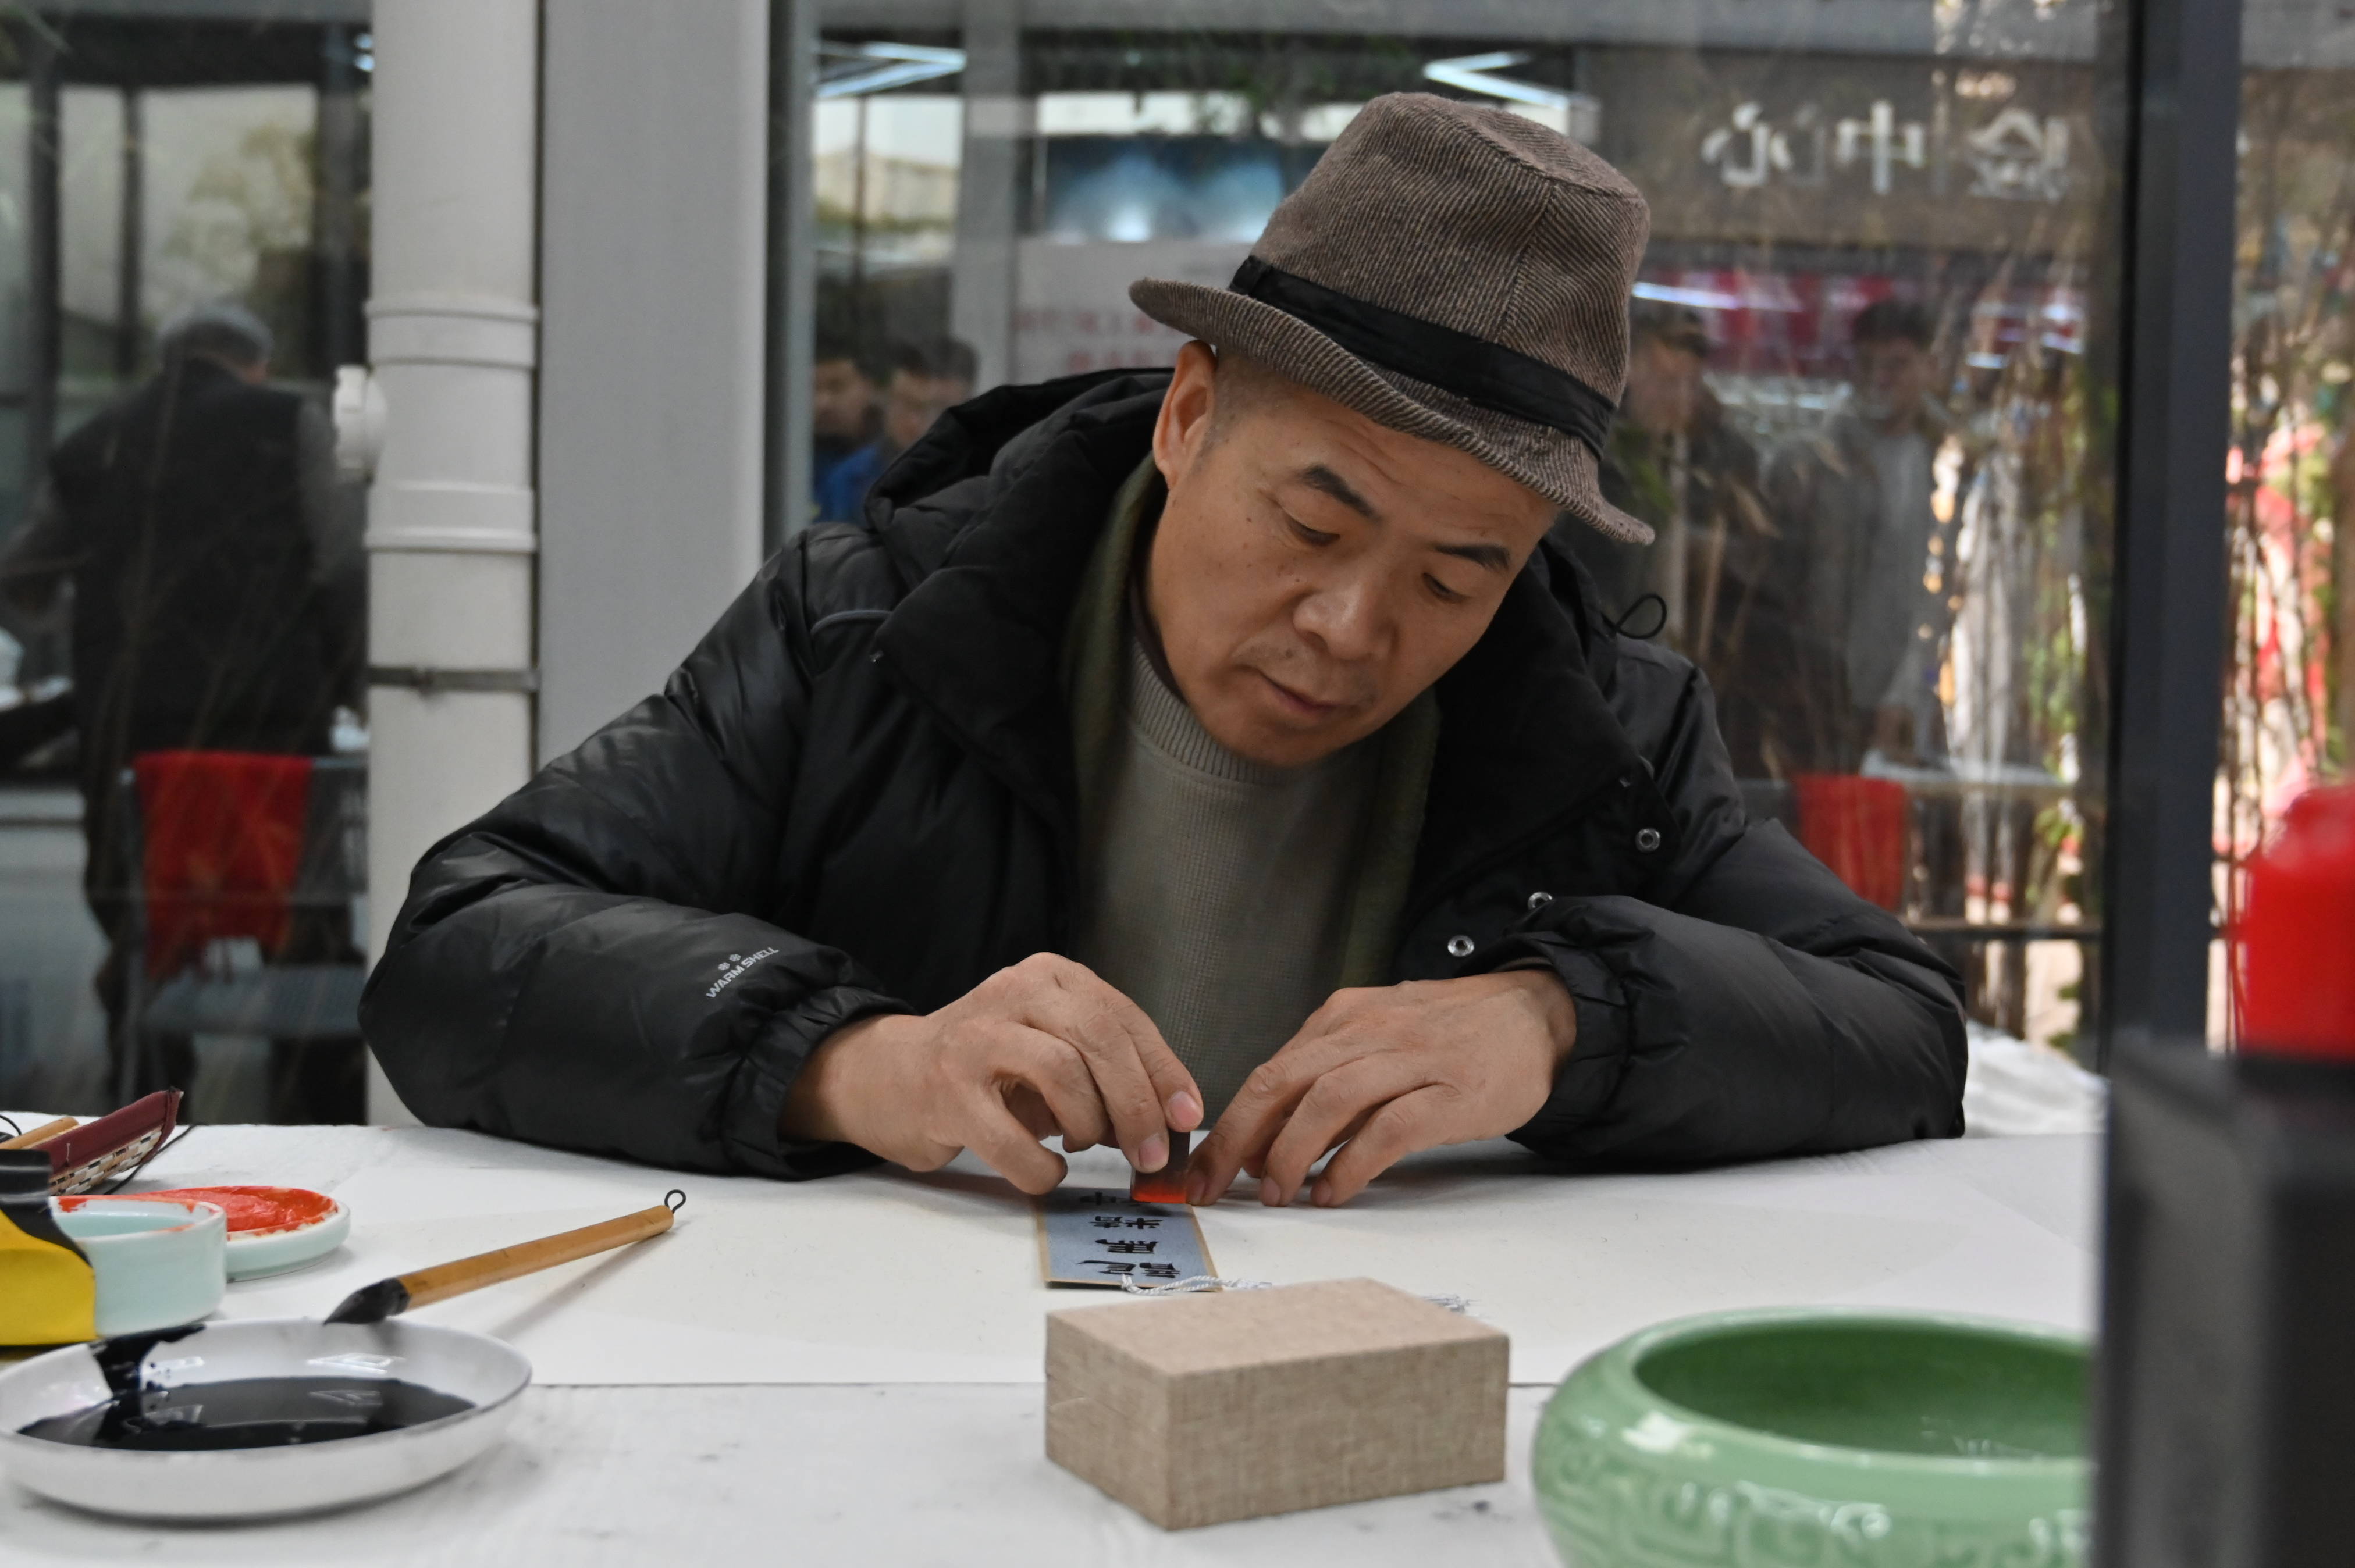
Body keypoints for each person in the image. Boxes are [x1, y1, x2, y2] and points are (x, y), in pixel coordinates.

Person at [365, 95, 1964, 1207]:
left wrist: (1566, 1019)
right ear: (1191, 414)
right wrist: (860, 1062)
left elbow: (1896, 1022)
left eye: (1456, 574)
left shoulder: (1597, 725)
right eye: (1314, 523)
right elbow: (459, 946)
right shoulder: (876, 626)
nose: (1351, 629)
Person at [0, 301, 365, 1120]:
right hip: (274, 733)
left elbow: (22, 577)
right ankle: (316, 1115)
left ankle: (149, 1123)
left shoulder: (96, 442)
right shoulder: (290, 423)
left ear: (166, 362)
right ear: (256, 365)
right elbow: (341, 564)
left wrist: (92, 622)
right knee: (303, 933)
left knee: (145, 935)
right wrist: (353, 684)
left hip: (132, 740)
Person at [1560, 303, 1792, 775]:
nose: (1680, 399)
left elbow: (1760, 566)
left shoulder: (1727, 459)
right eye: (1666, 383)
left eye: (1690, 384)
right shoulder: (1595, 458)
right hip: (1605, 671)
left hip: (1706, 673)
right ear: (1630, 371)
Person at [1763, 300, 1956, 770]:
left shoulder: (1949, 463)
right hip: (1821, 693)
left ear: (1929, 368)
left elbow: (1943, 597)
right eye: (1868, 363)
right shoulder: (1814, 460)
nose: (1879, 379)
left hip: (1914, 693)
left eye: (1897, 365)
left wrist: (1911, 692)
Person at [818, 337, 980, 528]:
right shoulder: (848, 480)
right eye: (905, 404)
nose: (914, 422)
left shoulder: (992, 481)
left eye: (936, 409)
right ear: (886, 399)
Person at [809, 332, 883, 525]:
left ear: (868, 388)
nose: (823, 403)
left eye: (837, 387)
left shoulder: (886, 459)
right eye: (813, 388)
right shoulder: (787, 463)